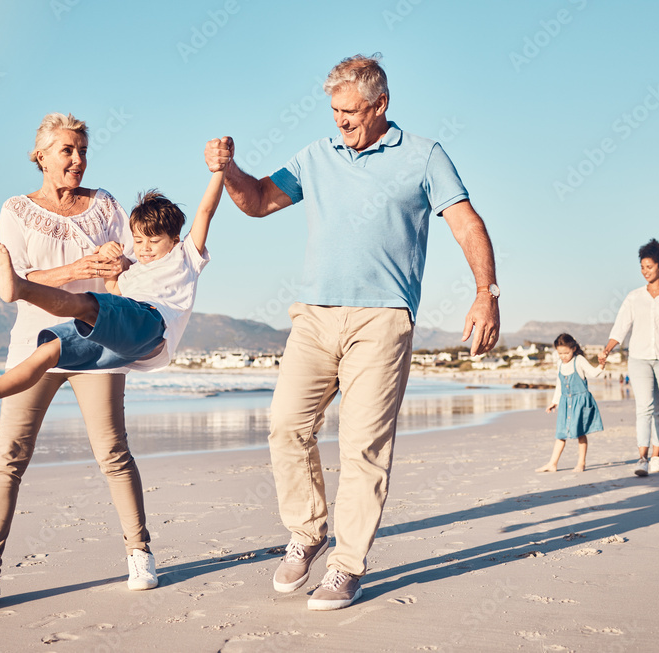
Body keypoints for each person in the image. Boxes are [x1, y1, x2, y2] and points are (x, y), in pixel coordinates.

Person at [204, 55, 499, 610]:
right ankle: (307, 531)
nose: (340, 122)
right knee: (286, 426)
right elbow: (260, 201)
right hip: (314, 316)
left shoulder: (425, 156)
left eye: (350, 112)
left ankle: (346, 565)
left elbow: (466, 223)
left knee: (363, 447)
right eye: (334, 111)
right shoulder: (317, 156)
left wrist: (486, 293)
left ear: (380, 104)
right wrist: (230, 171)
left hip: (383, 318)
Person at [0, 113, 149, 616]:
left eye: (82, 150)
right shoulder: (16, 209)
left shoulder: (105, 205)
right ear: (41, 156)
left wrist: (121, 262)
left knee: (112, 451)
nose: (77, 160)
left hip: (97, 340)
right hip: (37, 345)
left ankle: (140, 553)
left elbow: (137, 257)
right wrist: (79, 268)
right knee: (9, 455)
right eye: (66, 151)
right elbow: (22, 279)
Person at [0, 175, 221, 414]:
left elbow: (206, 210)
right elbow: (115, 291)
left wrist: (219, 170)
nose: (144, 248)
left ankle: (21, 287)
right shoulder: (133, 270)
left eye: (154, 241)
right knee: (49, 350)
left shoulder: (186, 255)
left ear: (174, 239)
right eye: (139, 240)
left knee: (87, 305)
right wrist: (110, 267)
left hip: (152, 324)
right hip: (123, 339)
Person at [599, 239, 659, 477]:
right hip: (639, 358)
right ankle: (642, 458)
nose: (645, 271)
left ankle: (657, 456)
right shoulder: (634, 297)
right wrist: (607, 350)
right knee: (644, 406)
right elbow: (621, 326)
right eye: (642, 267)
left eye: (649, 266)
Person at [537, 333, 605, 473]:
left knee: (580, 433)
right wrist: (554, 402)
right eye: (560, 353)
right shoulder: (559, 363)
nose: (563, 356)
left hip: (580, 402)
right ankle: (552, 463)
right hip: (564, 402)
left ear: (573, 348)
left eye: (566, 352)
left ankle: (581, 463)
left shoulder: (579, 360)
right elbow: (559, 384)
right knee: (561, 433)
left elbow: (593, 373)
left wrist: (601, 366)